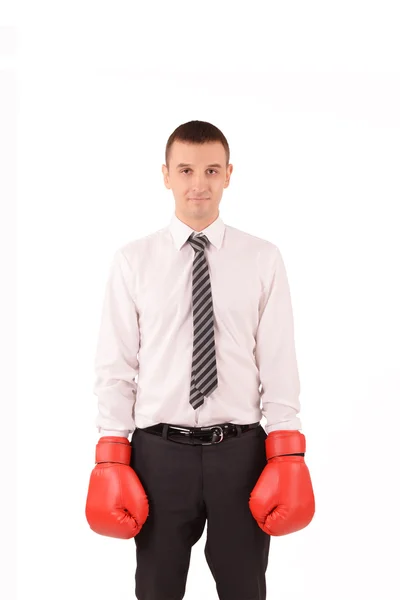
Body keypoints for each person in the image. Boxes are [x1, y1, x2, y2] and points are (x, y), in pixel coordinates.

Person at [85, 120, 315, 600]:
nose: (198, 183)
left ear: (229, 174)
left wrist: (287, 449)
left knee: (245, 590)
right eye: (186, 170)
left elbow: (277, 359)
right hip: (158, 454)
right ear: (165, 175)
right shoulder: (133, 261)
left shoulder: (262, 258)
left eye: (211, 170)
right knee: (156, 590)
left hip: (241, 453)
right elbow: (116, 365)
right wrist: (112, 452)